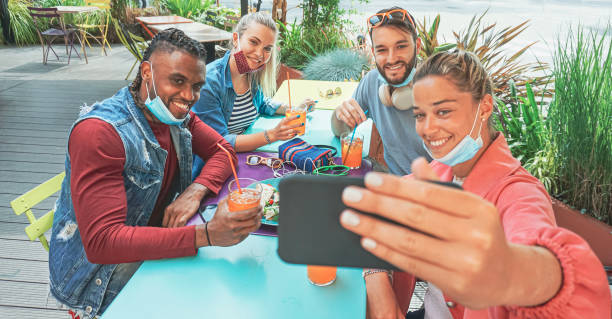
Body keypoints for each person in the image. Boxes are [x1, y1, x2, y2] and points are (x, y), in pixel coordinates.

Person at [339, 50, 611, 318]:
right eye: (420, 115)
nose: (427, 128)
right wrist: (377, 283)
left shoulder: (520, 193)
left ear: (485, 107)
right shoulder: (443, 168)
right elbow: (380, 211)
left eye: (443, 111)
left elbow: (540, 264)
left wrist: (509, 272)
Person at [48, 29, 263, 318]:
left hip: (155, 241)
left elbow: (223, 150)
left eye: (197, 86)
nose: (189, 96)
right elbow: (102, 244)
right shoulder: (100, 133)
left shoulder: (176, 116)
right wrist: (207, 235)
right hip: (96, 277)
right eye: (178, 81)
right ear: (147, 72)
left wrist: (195, 191)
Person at [191, 12, 314, 179]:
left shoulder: (251, 72)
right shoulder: (209, 82)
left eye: (267, 48)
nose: (259, 54)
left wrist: (294, 108)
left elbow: (262, 104)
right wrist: (273, 135)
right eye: (253, 42)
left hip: (246, 159)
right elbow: (220, 142)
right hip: (215, 168)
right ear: (236, 39)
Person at [331, 7, 430, 175]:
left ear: (417, 46)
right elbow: (340, 131)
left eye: (401, 46)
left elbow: (455, 167)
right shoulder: (372, 81)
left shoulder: (438, 90)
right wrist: (340, 115)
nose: (391, 59)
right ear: (373, 52)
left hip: (433, 191)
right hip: (393, 185)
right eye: (382, 50)